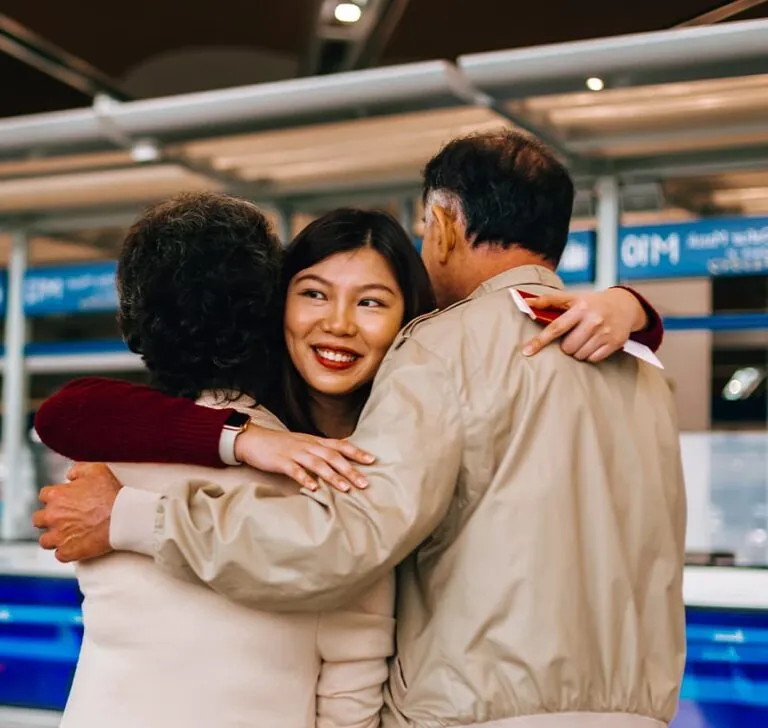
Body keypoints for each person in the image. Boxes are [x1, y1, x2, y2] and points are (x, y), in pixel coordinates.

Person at [36, 131, 686, 728]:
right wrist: (245, 437)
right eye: (315, 293)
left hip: (475, 710)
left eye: (372, 301)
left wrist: (132, 517)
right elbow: (72, 411)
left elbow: (343, 543)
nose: (340, 323)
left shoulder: (440, 348)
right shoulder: (643, 368)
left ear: (444, 226)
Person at [52, 192, 399, 728]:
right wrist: (243, 439)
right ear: (271, 312)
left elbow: (66, 410)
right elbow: (352, 683)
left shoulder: (101, 470)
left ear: (130, 320)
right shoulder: (332, 478)